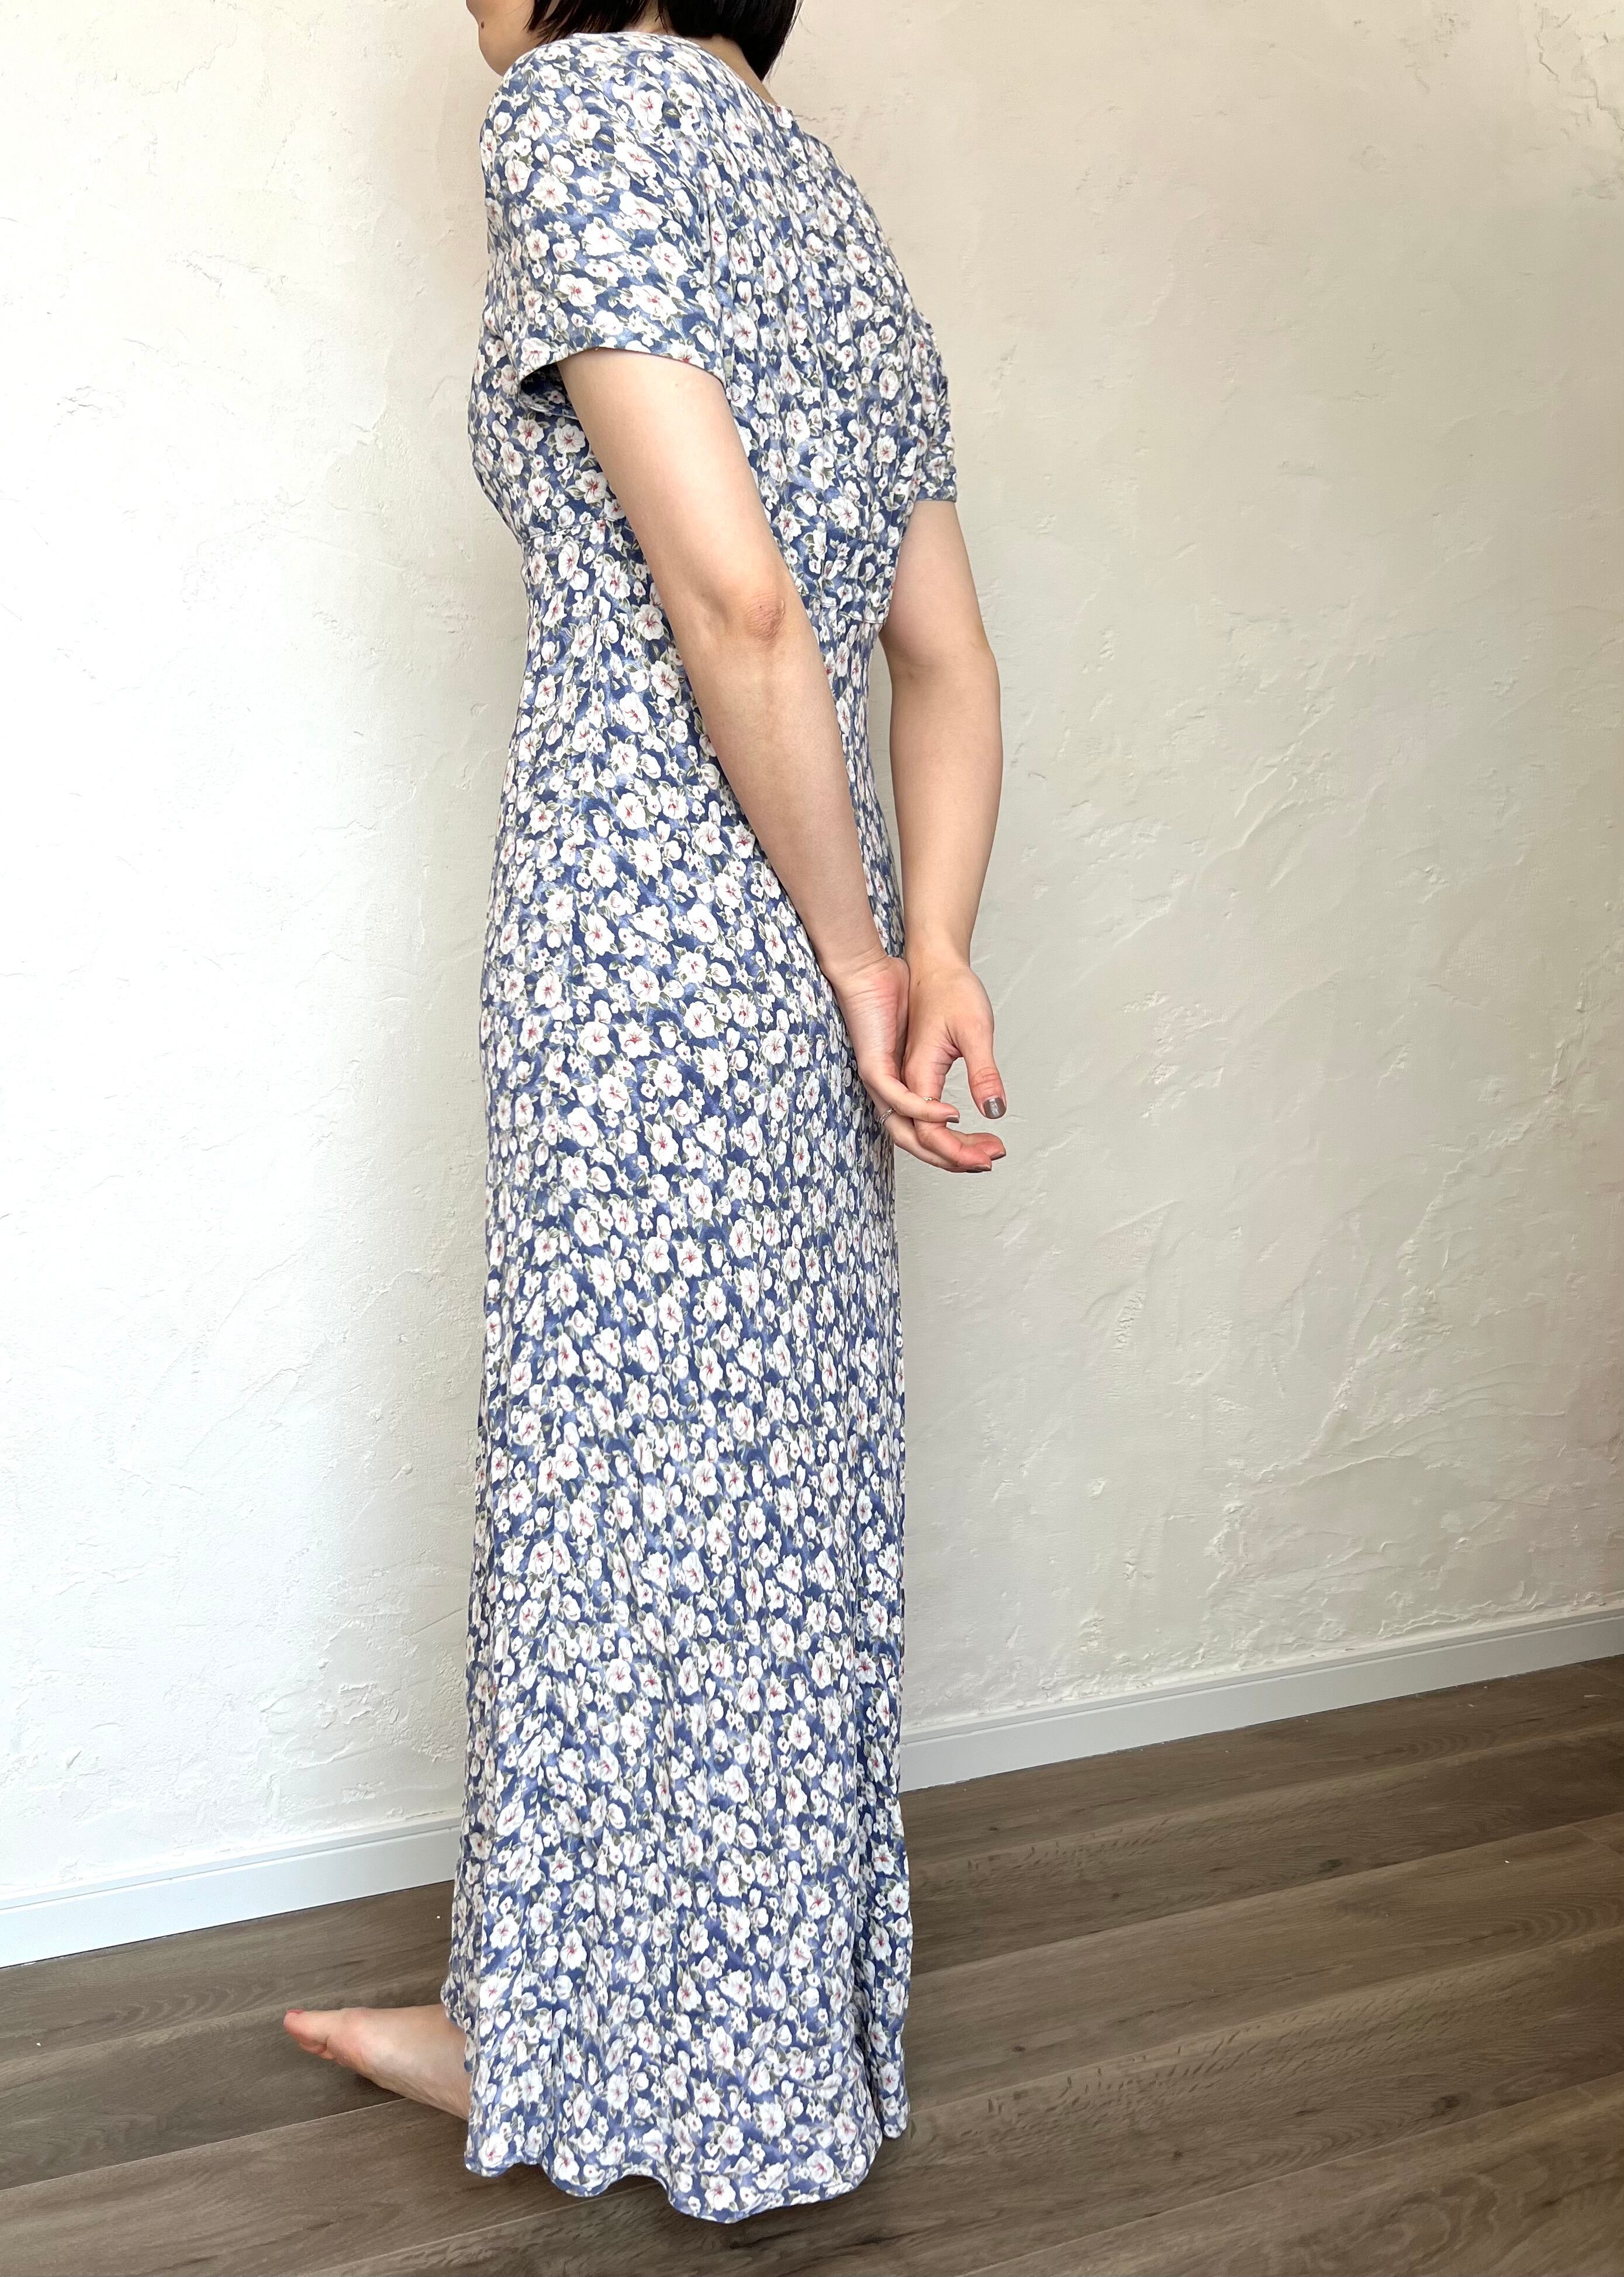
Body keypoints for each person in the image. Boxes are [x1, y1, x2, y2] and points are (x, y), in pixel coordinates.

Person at [286, 0, 1006, 2224]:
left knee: (612, 1487)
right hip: (816, 929)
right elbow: (941, 655)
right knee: (760, 1499)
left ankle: (565, 2045)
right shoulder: (825, 200)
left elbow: (736, 599)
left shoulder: (578, 109)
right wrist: (926, 948)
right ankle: (732, 2049)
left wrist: (851, 954)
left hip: (658, 927)